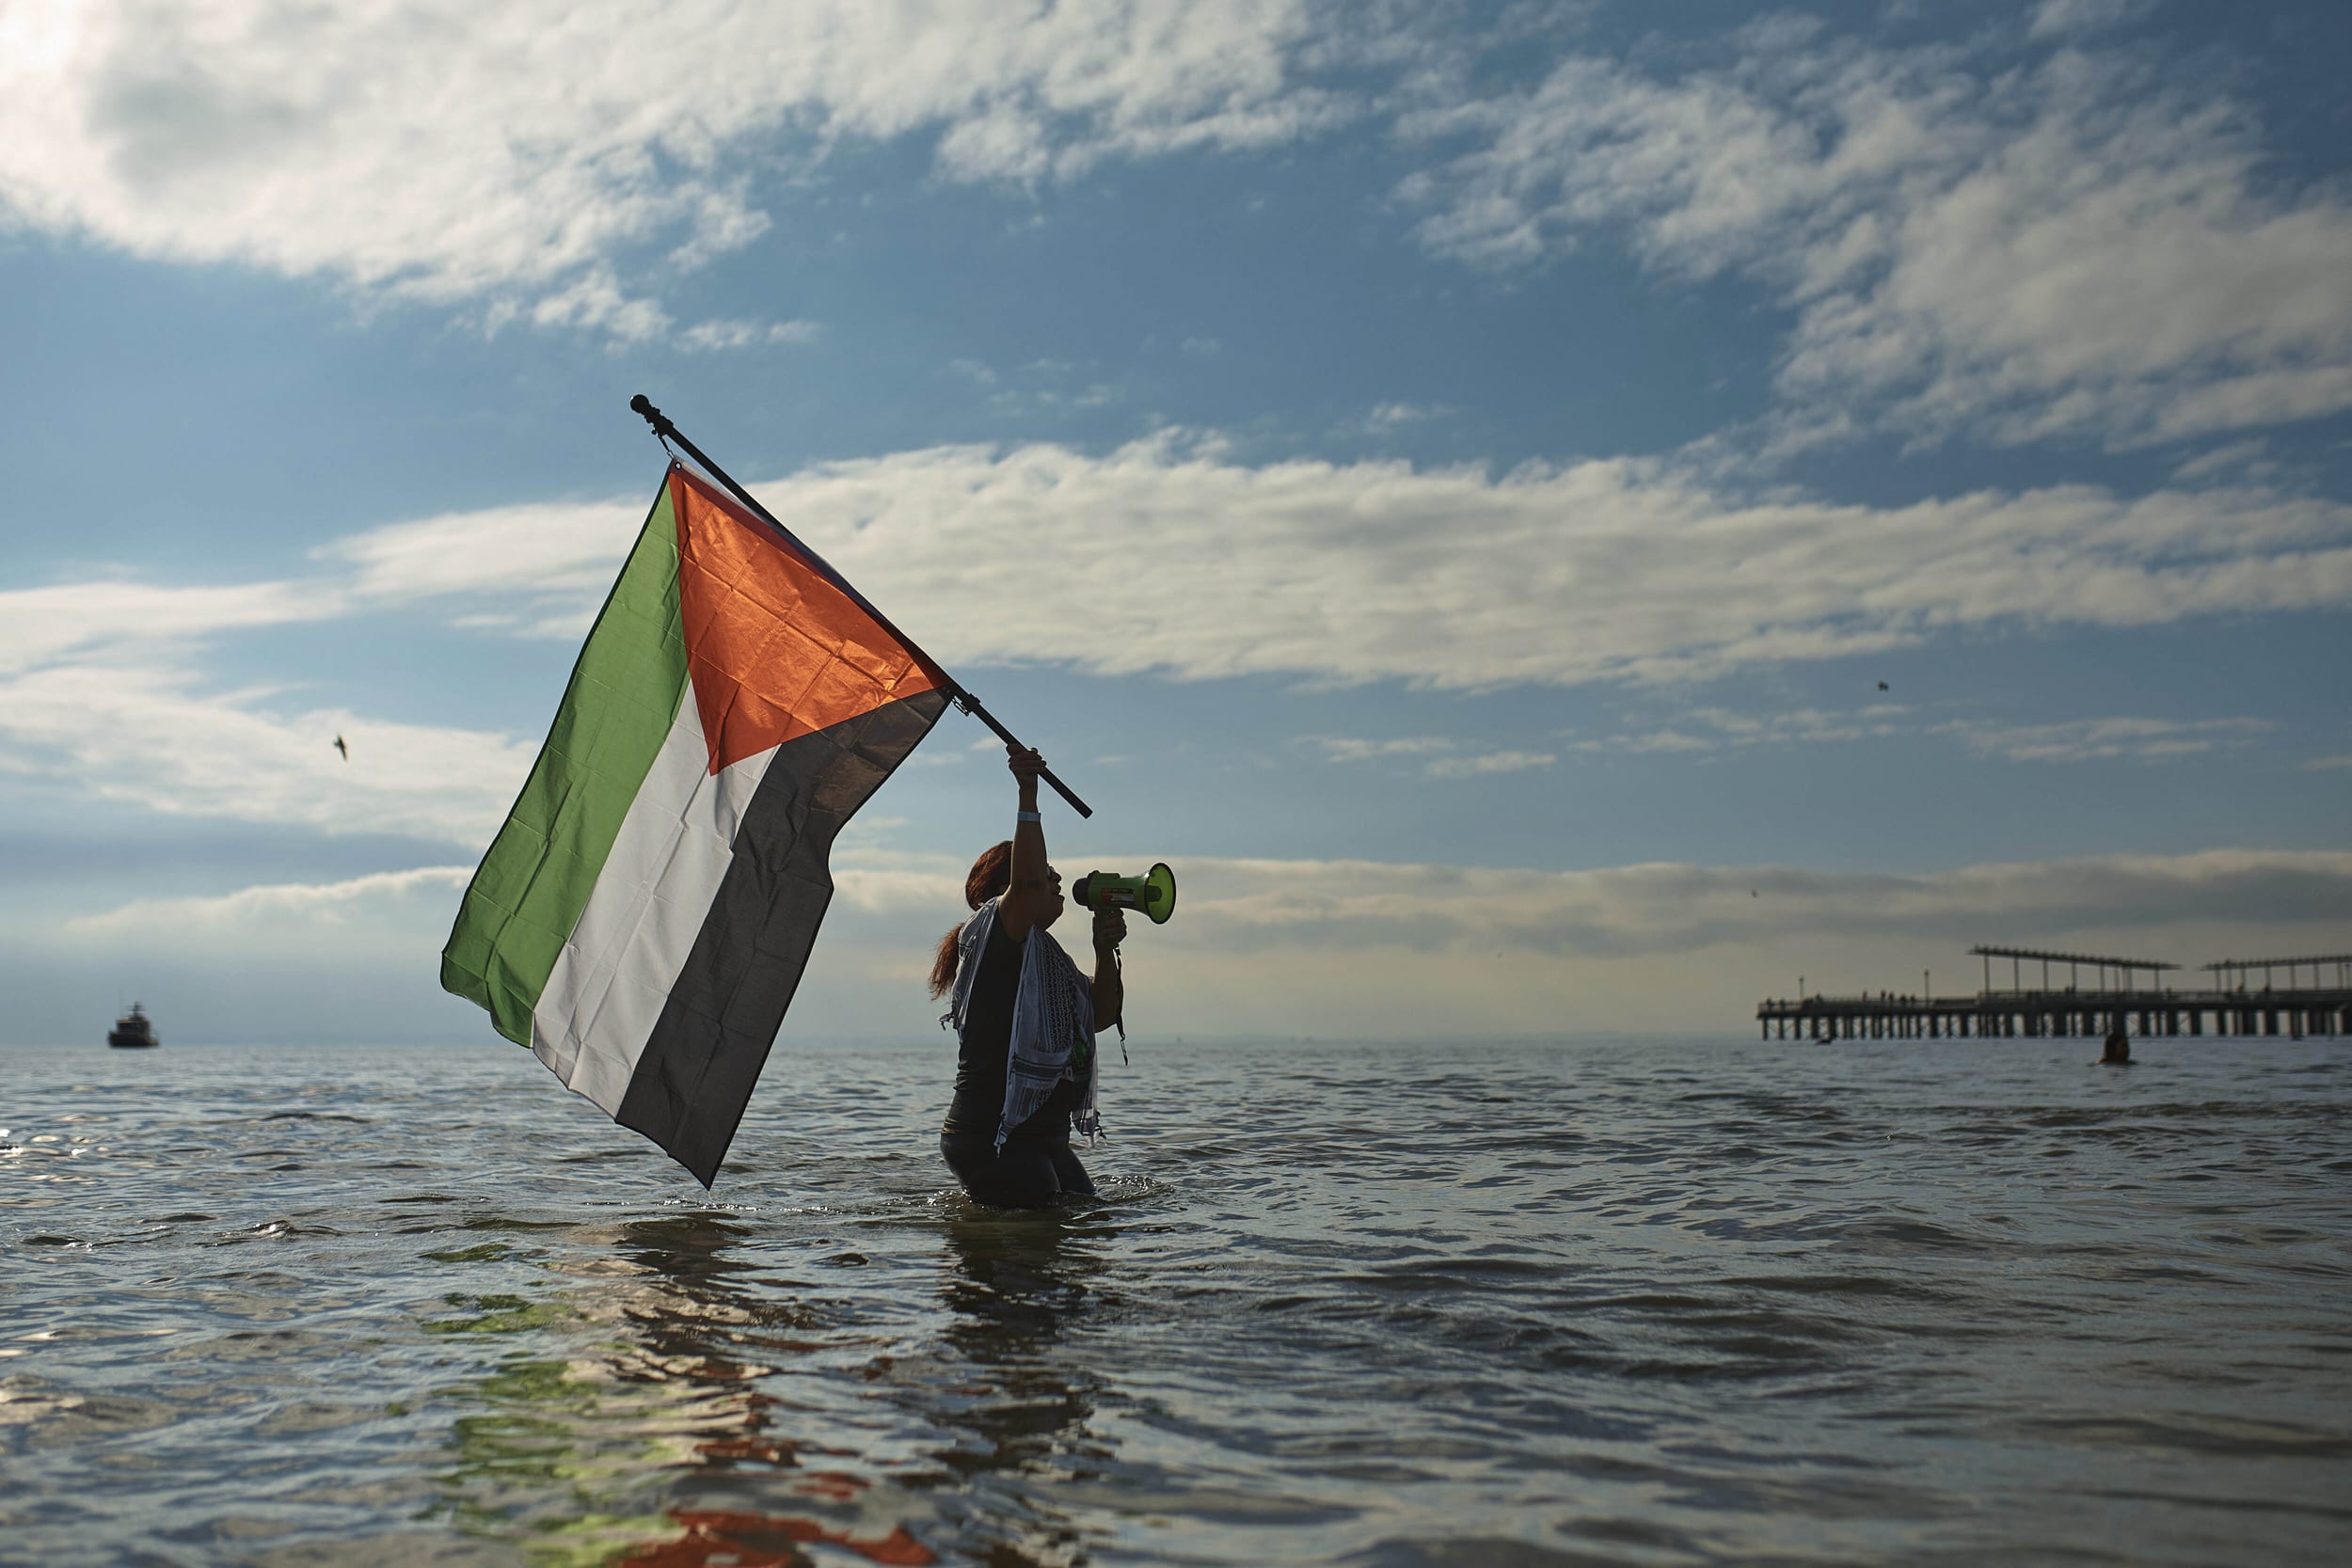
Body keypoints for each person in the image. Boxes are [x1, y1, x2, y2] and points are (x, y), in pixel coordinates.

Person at [929, 745, 1125, 1207]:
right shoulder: (994, 935)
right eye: (1046, 873)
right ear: (1009, 889)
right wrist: (1028, 792)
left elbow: (1101, 1015)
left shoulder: (1047, 959)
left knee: (1083, 1216)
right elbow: (1031, 883)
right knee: (1039, 1238)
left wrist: (1104, 949)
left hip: (1041, 1137)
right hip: (992, 1135)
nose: (1057, 879)